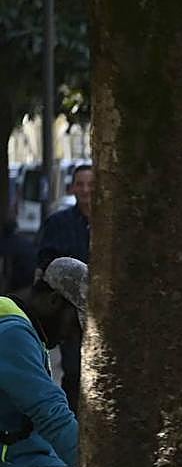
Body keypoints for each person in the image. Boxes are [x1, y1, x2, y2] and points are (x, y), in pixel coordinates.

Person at [0, 258, 88, 467]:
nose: (73, 337)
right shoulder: (12, 335)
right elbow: (51, 414)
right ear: (53, 300)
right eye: (74, 324)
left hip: (30, 465)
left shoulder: (20, 324)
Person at [36, 163, 94, 412]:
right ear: (72, 188)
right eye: (80, 184)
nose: (85, 190)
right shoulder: (59, 223)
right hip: (69, 313)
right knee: (73, 371)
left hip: (105, 314)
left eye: (91, 184)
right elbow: (45, 264)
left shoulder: (116, 223)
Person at [0, 215, 36, 295]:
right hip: (29, 283)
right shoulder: (26, 242)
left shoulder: (4, 243)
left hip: (16, 286)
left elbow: (6, 271)